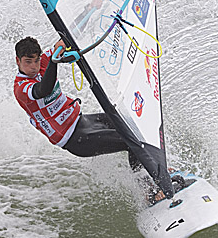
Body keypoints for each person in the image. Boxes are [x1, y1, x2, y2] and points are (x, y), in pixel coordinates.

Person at [13, 36, 174, 200]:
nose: (34, 67)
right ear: (18, 61)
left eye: (36, 61)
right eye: (28, 62)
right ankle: (148, 191)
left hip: (83, 121)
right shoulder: (22, 88)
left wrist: (88, 11)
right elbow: (43, 90)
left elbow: (62, 41)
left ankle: (153, 171)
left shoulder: (44, 62)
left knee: (131, 125)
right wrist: (54, 62)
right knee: (130, 141)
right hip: (75, 138)